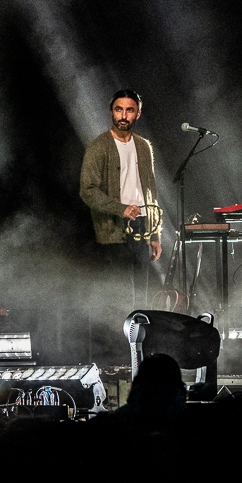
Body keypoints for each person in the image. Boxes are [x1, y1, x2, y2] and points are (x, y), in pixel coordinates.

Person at [80, 89, 161, 362]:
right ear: (111, 111)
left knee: (142, 300)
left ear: (138, 112)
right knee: (116, 297)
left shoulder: (143, 146)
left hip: (142, 229)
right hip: (112, 232)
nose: (123, 116)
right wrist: (120, 208)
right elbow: (87, 191)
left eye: (129, 110)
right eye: (118, 109)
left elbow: (150, 191)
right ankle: (113, 359)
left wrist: (155, 233)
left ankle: (139, 358)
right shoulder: (98, 146)